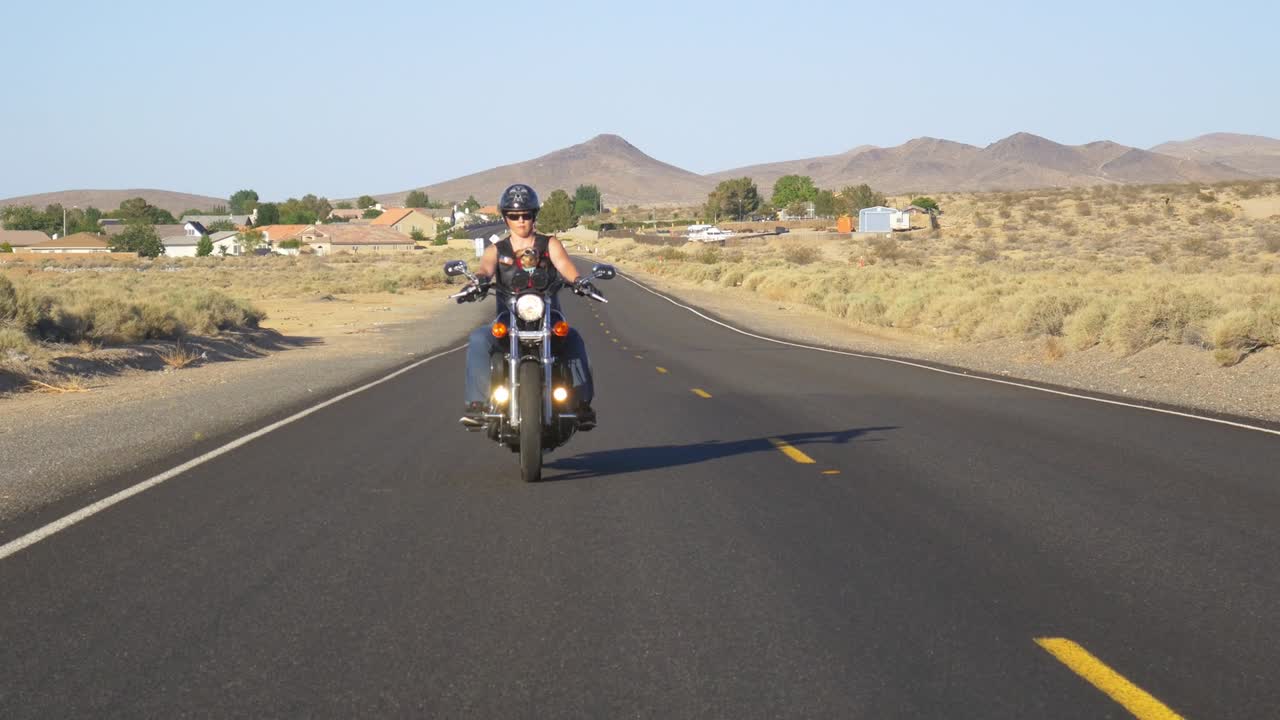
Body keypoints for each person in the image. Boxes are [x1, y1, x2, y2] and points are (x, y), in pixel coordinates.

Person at [457, 183, 597, 429]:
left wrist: (579, 281)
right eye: (514, 215)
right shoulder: (496, 250)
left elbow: (564, 265)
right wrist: (476, 283)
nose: (521, 220)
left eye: (526, 214)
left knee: (573, 338)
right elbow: (485, 269)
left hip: (548, 318)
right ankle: (477, 405)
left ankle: (581, 404)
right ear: (505, 217)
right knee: (479, 338)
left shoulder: (549, 244)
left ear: (534, 215)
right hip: (508, 318)